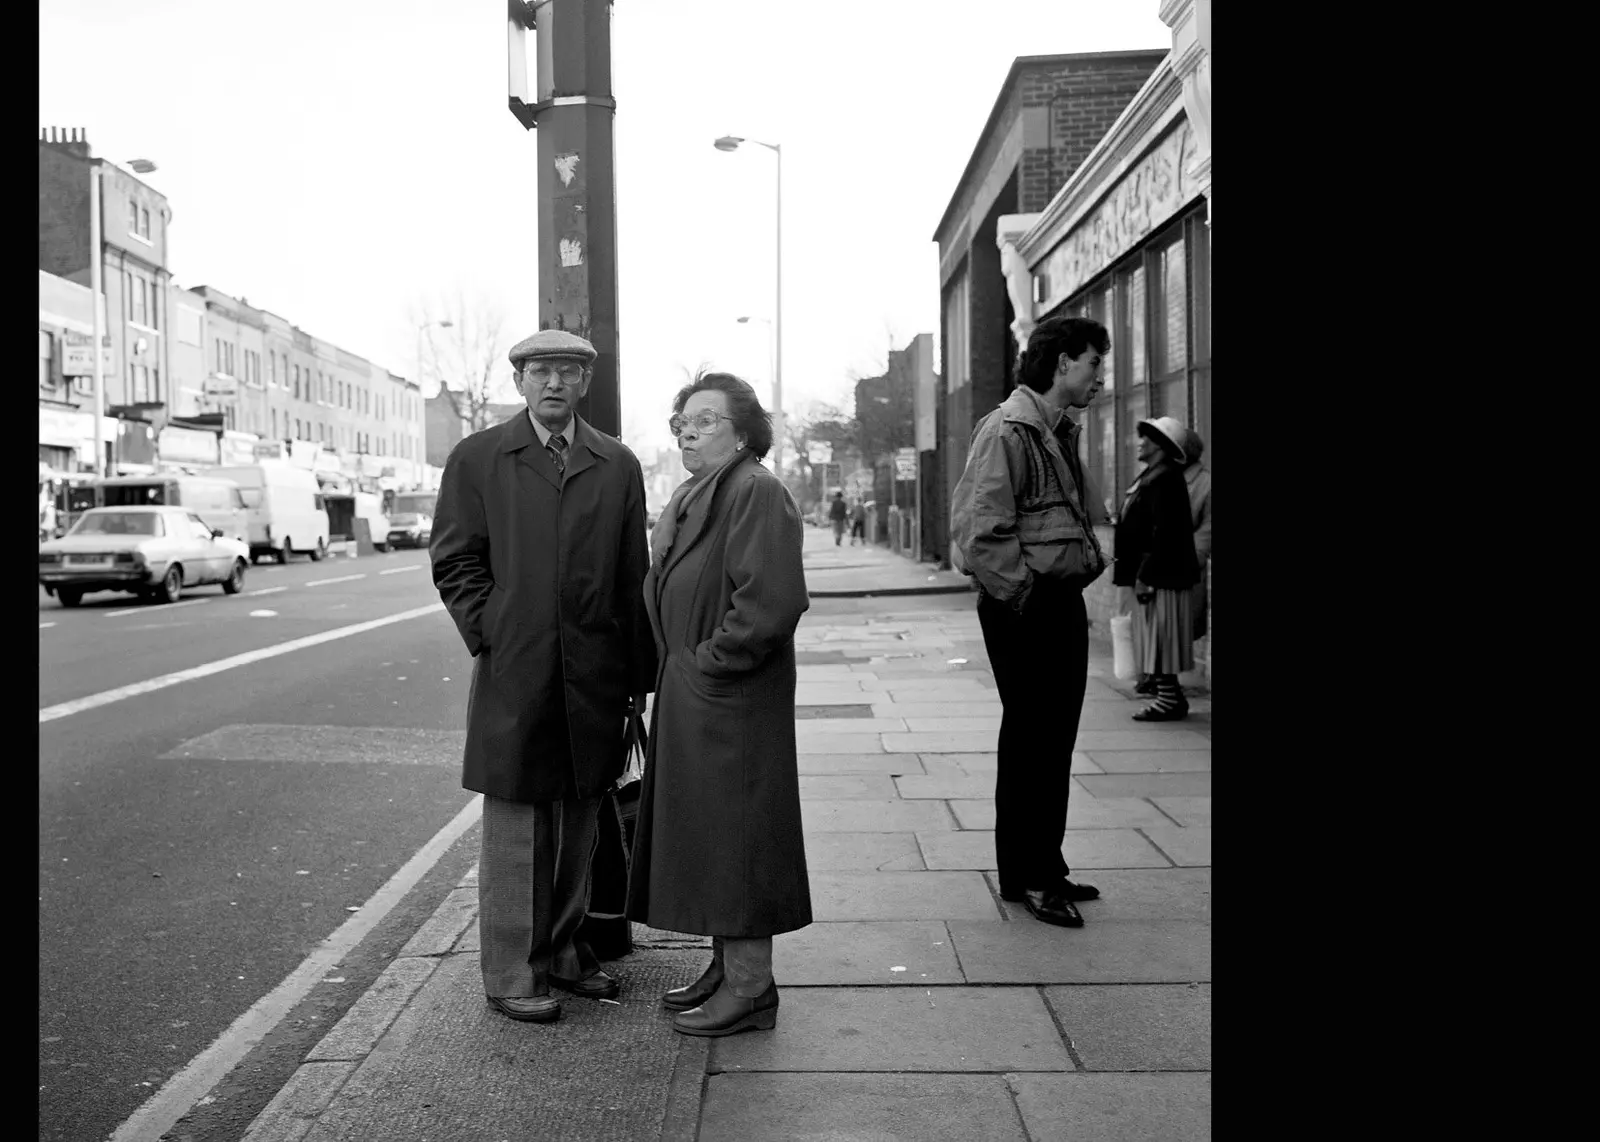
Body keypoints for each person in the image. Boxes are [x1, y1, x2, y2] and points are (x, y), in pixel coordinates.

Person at [430, 329, 655, 1025]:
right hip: (517, 669)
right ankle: (508, 974)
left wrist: (637, 677)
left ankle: (560, 953)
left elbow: (630, 575)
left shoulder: (615, 463)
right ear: (521, 381)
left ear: (584, 384)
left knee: (580, 822)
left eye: (567, 372)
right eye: (540, 372)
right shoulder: (478, 458)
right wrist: (495, 631)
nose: (553, 383)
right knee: (518, 827)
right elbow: (455, 560)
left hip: (594, 670)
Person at [627, 371, 812, 1037]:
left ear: (742, 433)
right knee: (710, 840)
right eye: (682, 419)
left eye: (705, 419)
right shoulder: (697, 492)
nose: (686, 429)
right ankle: (723, 968)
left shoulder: (755, 490)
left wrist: (708, 666)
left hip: (730, 699)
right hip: (697, 696)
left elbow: (770, 604)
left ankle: (751, 987)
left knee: (740, 843)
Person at [948, 315, 1110, 930]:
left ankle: (1037, 866)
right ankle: (1036, 878)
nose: (1100, 375)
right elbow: (979, 532)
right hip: (1027, 604)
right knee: (1036, 739)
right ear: (1063, 361)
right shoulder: (1009, 430)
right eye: (1095, 361)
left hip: (1051, 599)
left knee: (1048, 739)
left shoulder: (1054, 428)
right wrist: (1028, 597)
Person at [1113, 416, 1201, 721]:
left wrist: (1143, 575)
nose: (1140, 442)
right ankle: (1170, 697)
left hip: (1159, 575)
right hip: (1152, 574)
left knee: (1160, 636)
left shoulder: (1165, 479)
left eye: (1147, 438)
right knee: (1155, 637)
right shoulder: (1155, 475)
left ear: (1162, 446)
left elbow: (1164, 532)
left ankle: (1169, 700)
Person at [1182, 426, 1211, 646]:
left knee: (1178, 626)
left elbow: (1207, 529)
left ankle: (1164, 676)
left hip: (1185, 563)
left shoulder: (1204, 484)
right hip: (1157, 565)